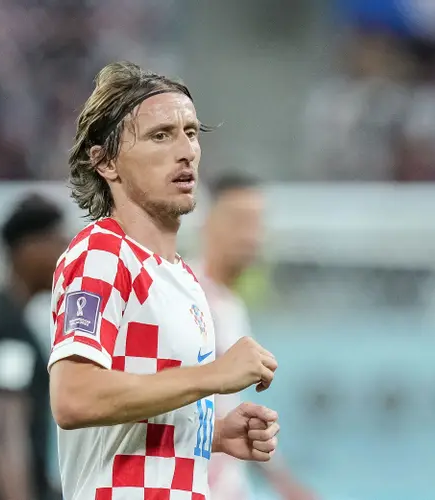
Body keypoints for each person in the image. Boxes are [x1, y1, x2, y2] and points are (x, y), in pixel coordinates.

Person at [49, 61, 281, 500]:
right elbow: (75, 398)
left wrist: (208, 434)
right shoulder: (102, 253)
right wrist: (213, 375)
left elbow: (126, 416)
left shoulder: (182, 278)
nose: (186, 151)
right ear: (106, 163)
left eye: (191, 132)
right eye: (161, 135)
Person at [200, 173, 316, 500]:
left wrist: (284, 482)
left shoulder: (230, 305)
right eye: (238, 220)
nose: (250, 235)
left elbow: (225, 408)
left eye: (256, 222)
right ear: (206, 223)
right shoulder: (188, 300)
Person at [0, 194, 67, 500]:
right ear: (26, 249)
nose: (63, 255)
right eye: (56, 242)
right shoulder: (9, 331)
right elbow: (7, 434)